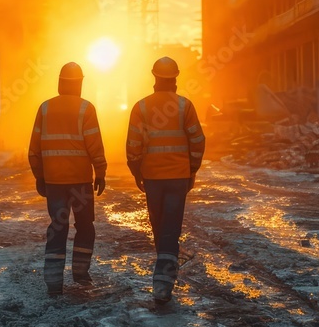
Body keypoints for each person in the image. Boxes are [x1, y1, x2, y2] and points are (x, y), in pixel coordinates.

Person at [126, 57, 205, 304]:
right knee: (170, 229)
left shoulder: (141, 107)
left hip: (153, 177)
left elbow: (133, 145)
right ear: (176, 78)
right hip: (178, 176)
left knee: (159, 227)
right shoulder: (185, 106)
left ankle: (163, 283)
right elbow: (198, 141)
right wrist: (191, 169)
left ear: (154, 78)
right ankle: (165, 279)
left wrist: (136, 170)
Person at [28, 62, 107, 295]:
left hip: (54, 182)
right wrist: (100, 171)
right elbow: (95, 145)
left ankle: (53, 283)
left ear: (60, 82)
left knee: (57, 227)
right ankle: (81, 274)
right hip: (80, 182)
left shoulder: (44, 108)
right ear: (80, 83)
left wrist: (39, 176)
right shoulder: (86, 108)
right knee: (85, 226)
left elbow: (34, 150)